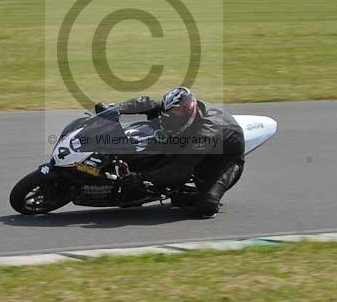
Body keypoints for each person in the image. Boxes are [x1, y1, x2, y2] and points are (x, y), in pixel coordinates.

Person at [97, 87, 245, 218]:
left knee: (207, 206)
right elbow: (147, 103)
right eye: (169, 114)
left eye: (175, 116)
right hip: (193, 142)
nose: (170, 118)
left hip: (225, 158)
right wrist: (115, 109)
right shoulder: (177, 108)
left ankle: (189, 196)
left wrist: (140, 178)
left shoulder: (206, 132)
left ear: (188, 113)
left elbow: (180, 167)